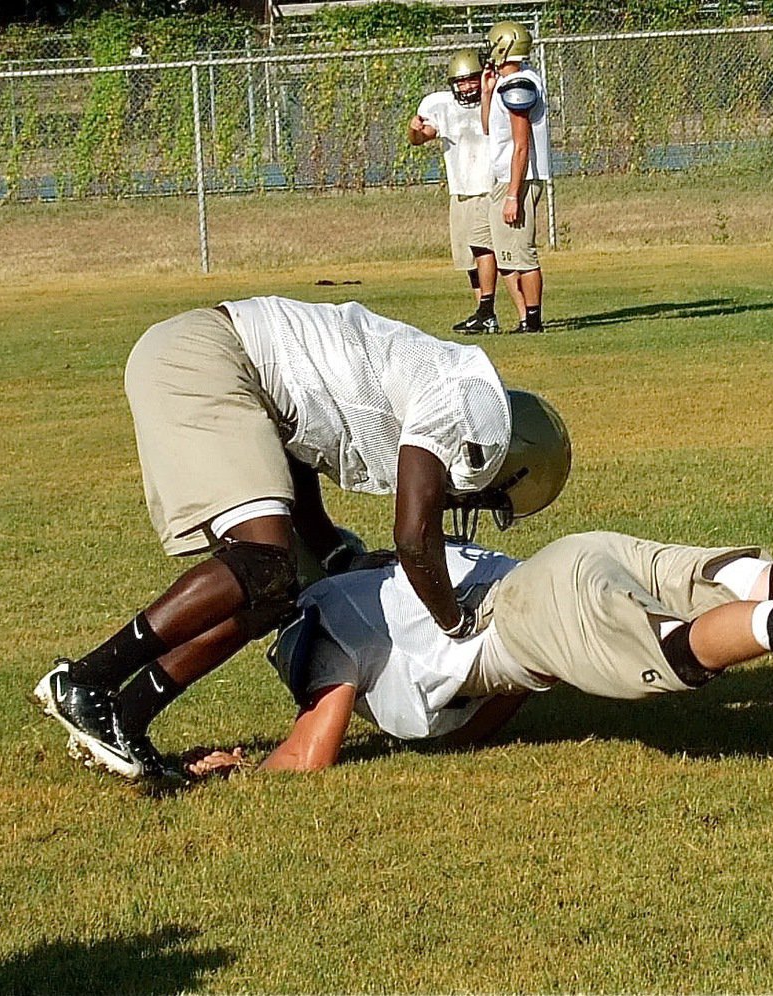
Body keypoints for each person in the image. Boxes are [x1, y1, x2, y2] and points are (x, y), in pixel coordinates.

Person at [32, 295, 571, 782]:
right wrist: (455, 619)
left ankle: (126, 717)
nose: (466, 504)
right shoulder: (456, 404)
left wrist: (336, 554)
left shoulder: (428, 385)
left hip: (221, 365)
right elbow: (413, 537)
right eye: (489, 497)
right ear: (504, 460)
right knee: (263, 561)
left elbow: (300, 450)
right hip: (210, 357)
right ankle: (88, 681)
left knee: (275, 591)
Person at [185, 486, 773, 776]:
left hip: (534, 614)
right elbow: (499, 706)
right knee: (768, 569)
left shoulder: (318, 624)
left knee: (676, 650)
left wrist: (244, 773)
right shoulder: (377, 575)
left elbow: (317, 744)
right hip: (573, 560)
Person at [406, 49, 522, 334]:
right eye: (461, 82)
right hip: (461, 189)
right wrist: (413, 129)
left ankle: (516, 314)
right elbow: (421, 138)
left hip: (489, 186)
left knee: (494, 254)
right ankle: (486, 314)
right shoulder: (441, 105)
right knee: (470, 259)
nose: (467, 87)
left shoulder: (496, 99)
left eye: (472, 80)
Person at [477, 21, 552, 335]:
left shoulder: (519, 83)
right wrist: (486, 92)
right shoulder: (505, 82)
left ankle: (533, 320)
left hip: (518, 179)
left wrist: (512, 194)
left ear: (504, 46)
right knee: (507, 252)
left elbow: (522, 145)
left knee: (523, 253)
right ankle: (523, 317)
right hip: (505, 177)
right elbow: (488, 128)